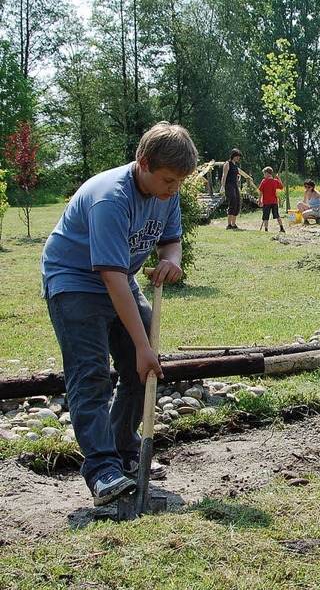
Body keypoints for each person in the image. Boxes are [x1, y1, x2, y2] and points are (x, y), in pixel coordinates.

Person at [41, 121, 199, 506]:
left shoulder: (167, 191)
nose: (173, 188)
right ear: (143, 162)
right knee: (90, 373)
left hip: (119, 275)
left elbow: (171, 242)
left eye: (179, 181)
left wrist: (172, 262)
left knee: (136, 369)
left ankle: (126, 450)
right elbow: (111, 280)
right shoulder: (110, 198)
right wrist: (144, 346)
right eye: (167, 180)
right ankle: (101, 470)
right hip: (76, 281)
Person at [219, 148, 242, 229]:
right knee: (232, 200)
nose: (238, 158)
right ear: (233, 156)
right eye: (237, 156)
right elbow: (224, 175)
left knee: (237, 201)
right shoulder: (227, 164)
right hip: (228, 185)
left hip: (235, 185)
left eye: (239, 156)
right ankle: (229, 224)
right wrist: (222, 186)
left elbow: (237, 175)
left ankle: (233, 223)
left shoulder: (235, 165)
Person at [258, 166, 285, 233]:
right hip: (274, 202)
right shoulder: (275, 181)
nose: (264, 175)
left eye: (264, 174)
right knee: (277, 215)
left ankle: (266, 229)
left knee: (265, 217)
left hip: (266, 202)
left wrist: (259, 200)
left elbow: (261, 191)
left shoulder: (264, 181)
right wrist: (279, 179)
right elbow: (281, 186)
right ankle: (281, 227)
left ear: (267, 173)